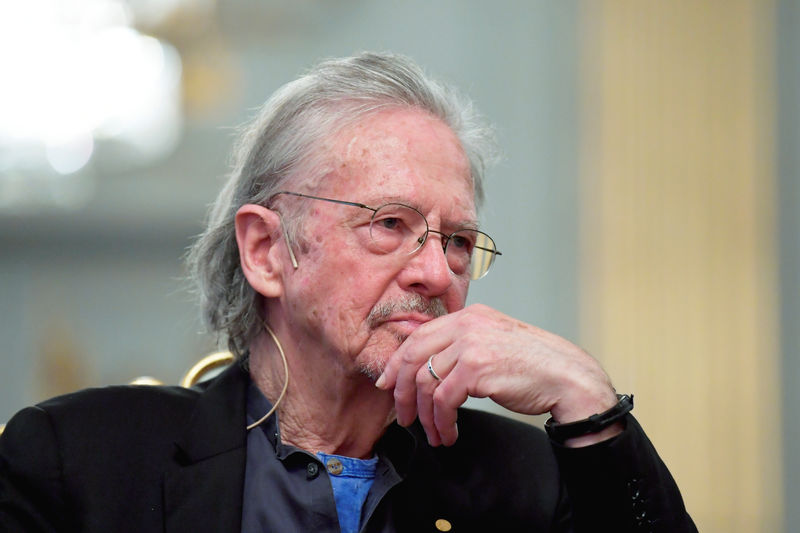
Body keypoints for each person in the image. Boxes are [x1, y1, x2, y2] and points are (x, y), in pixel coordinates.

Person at [0, 52, 696, 532]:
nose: (435, 273)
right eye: (390, 224)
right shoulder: (79, 461)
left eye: (457, 240)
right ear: (268, 251)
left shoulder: (527, 480)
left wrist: (587, 396)